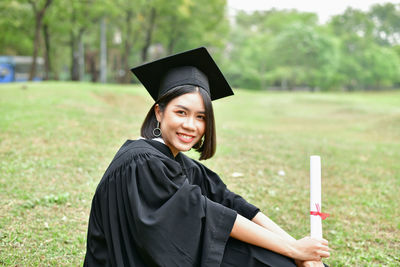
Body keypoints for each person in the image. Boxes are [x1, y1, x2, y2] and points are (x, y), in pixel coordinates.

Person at [84, 47, 330, 267]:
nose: (191, 125)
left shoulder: (178, 162)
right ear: (159, 112)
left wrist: (299, 251)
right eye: (181, 112)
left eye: (201, 117)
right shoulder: (142, 162)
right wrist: (292, 249)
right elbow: (208, 213)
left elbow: (231, 203)